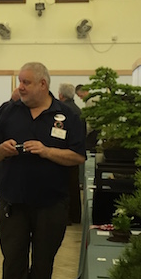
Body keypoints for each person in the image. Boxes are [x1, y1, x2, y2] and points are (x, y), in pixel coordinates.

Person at [0, 63, 86, 279]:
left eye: (26, 82)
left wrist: (46, 151)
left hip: (51, 203)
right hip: (13, 201)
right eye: (20, 81)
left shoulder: (67, 116)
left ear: (43, 84)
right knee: (13, 259)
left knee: (44, 260)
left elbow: (78, 157)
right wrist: (2, 150)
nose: (20, 87)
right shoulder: (8, 111)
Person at [0, 87, 19, 221]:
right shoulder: (9, 110)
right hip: (2, 153)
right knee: (2, 184)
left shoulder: (4, 108)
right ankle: (1, 213)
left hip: (4, 152)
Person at [58, 83, 85, 225]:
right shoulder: (78, 110)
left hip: (64, 152)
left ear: (61, 95)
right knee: (74, 185)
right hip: (76, 151)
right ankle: (75, 216)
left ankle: (66, 217)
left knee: (65, 186)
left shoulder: (62, 111)